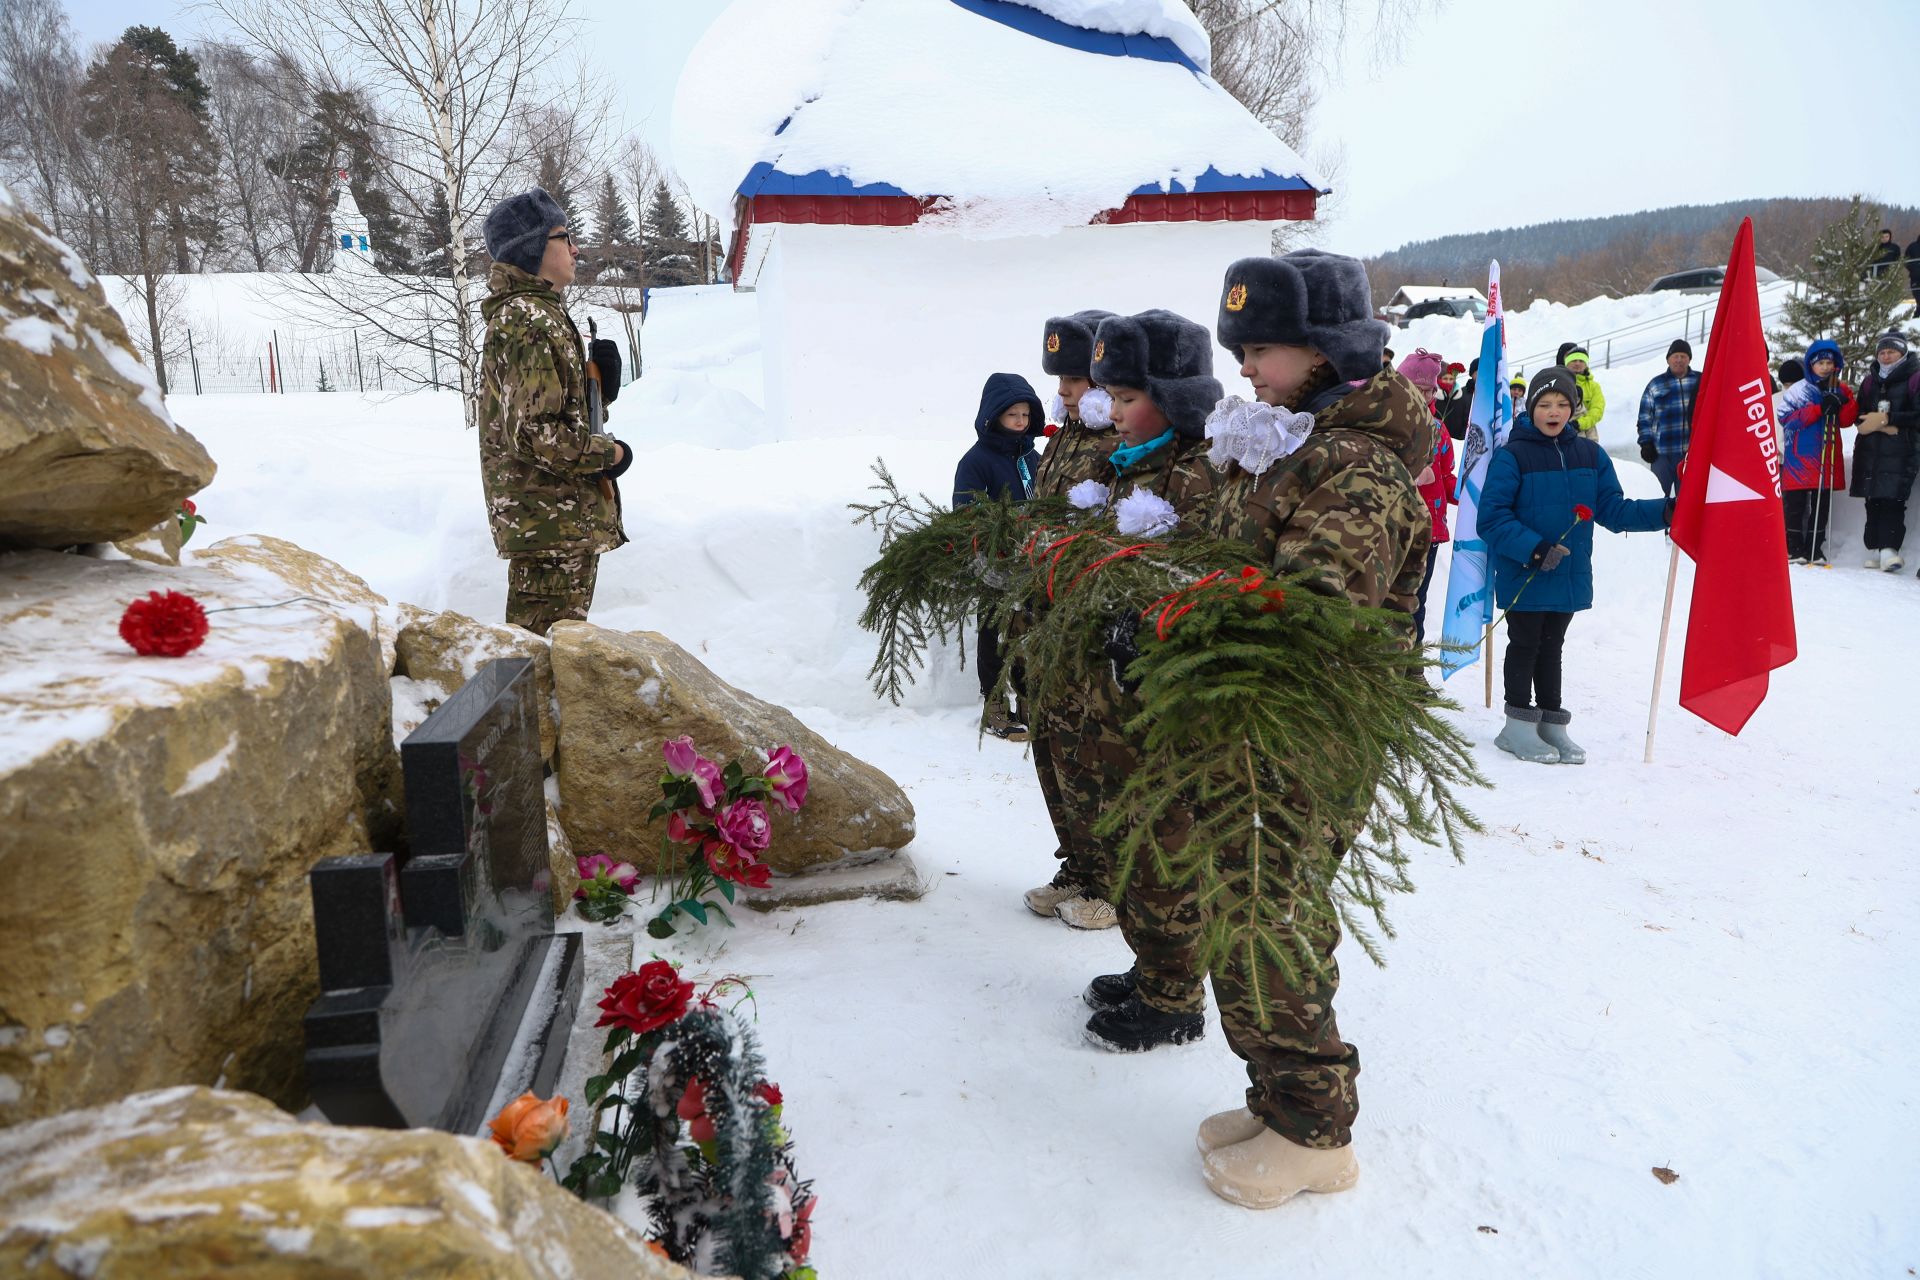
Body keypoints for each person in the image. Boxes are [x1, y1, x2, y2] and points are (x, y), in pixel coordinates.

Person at [1090, 251, 1429, 1211]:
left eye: (1266, 348)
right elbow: (1218, 557)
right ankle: (1274, 1101)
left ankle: (1315, 1132)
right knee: (1233, 908)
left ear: (1325, 350)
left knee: (1269, 918)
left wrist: (1177, 628)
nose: (1246, 367)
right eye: (1241, 348)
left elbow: (1310, 611)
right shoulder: (1279, 439)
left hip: (1300, 734)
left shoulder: (1351, 467)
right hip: (1237, 720)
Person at [1061, 310, 1223, 932]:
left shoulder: (1195, 474)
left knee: (1168, 835)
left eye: (1128, 398)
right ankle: (1149, 960)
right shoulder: (1122, 464)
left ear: (1174, 399)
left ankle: (1169, 981)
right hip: (1116, 683)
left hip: (1162, 691)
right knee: (1127, 816)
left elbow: (1191, 577)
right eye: (1111, 397)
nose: (1116, 411)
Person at [1478, 367, 1669, 765]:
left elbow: (1614, 510)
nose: (1554, 411)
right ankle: (1516, 728)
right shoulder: (1513, 456)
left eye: (1562, 404)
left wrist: (1669, 511)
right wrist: (1534, 550)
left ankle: (1550, 726)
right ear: (1531, 408)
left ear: (1574, 408)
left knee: (1553, 647)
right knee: (1526, 643)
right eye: (1545, 404)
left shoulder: (1590, 455)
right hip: (1526, 571)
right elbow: (1492, 517)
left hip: (1567, 574)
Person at [479, 188, 632, 636]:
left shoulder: (540, 314)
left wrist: (599, 391)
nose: (576, 248)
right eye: (565, 237)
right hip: (547, 524)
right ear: (533, 248)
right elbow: (535, 434)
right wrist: (612, 455)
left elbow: (549, 413)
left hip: (559, 521)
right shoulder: (524, 318)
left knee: (553, 656)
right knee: (539, 659)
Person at [1023, 310, 1121, 927]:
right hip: (1046, 625)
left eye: (1074, 378)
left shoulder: (1117, 446)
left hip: (1088, 631)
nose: (1061, 391)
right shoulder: (1067, 440)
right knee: (1055, 753)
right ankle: (1080, 866)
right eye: (1059, 378)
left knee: (1095, 756)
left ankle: (1113, 880)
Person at [954, 372, 1044, 739]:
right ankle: (993, 705)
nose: (1020, 423)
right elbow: (967, 514)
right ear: (994, 417)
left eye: (1025, 415)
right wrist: (983, 559)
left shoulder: (1032, 457)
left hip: (1033, 561)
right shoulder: (976, 462)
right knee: (994, 632)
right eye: (1013, 416)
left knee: (1027, 632)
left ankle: (1027, 700)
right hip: (995, 563)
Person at [1777, 339, 1857, 563]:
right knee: (1796, 505)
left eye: (1829, 362)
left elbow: (1847, 420)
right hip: (1799, 457)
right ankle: (1793, 548)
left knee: (1822, 506)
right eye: (1820, 362)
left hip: (1826, 456)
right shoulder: (1798, 390)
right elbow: (1785, 418)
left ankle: (1815, 548)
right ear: (1810, 365)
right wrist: (1818, 409)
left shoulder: (1840, 388)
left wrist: (1844, 404)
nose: (1825, 367)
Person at [1398, 349, 1456, 639]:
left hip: (1429, 530)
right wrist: (1409, 475)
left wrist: (1475, 491)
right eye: (1414, 389)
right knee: (1386, 601)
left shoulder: (1439, 431)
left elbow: (1447, 480)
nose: (1421, 396)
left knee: (1415, 602)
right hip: (1392, 527)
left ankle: (1413, 668)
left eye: (1427, 390)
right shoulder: (1386, 426)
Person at [1851, 331, 1920, 572]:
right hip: (1871, 450)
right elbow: (1858, 413)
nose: (1886, 356)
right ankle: (1874, 548)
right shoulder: (1871, 380)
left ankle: (1890, 549)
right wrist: (1866, 422)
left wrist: (1889, 419)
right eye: (1882, 352)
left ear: (1902, 353)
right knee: (1873, 499)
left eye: (1891, 352)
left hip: (1901, 449)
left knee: (1893, 499)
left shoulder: (1914, 377)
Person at [1635, 339, 1701, 499]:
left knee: (1687, 499)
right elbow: (1644, 416)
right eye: (1675, 356)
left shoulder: (1701, 381)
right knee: (1658, 498)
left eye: (1683, 356)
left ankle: (1683, 525)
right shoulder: (1656, 384)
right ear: (1668, 359)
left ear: (1689, 359)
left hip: (1691, 454)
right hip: (1662, 454)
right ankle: (1658, 525)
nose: (1679, 360)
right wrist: (1646, 443)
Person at [1562, 347, 1607, 439]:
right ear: (1567, 363)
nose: (1577, 363)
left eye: (1581, 360)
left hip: (1588, 434)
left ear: (1586, 364)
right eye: (1574, 360)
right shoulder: (1559, 382)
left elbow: (1597, 410)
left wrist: (1579, 424)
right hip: (1561, 430)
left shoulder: (1594, 386)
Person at [1905, 233, 1920, 305]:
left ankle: (1917, 313)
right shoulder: (1912, 246)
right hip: (1915, 276)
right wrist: (1913, 268)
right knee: (1917, 294)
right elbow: (1905, 259)